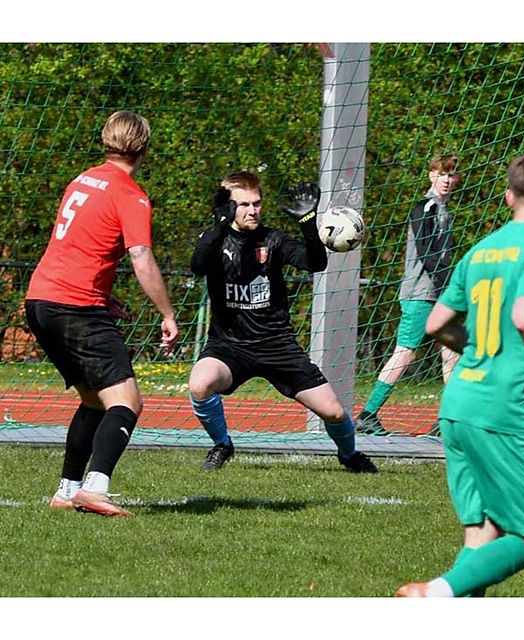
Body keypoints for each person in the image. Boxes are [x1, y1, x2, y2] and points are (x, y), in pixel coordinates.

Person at [396, 152, 524, 597]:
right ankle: (433, 596)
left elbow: (436, 324)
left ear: (508, 197)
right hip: (501, 407)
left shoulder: (480, 251)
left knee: (483, 535)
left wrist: (479, 346)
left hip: (458, 404)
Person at [25, 110, 179, 517]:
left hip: (40, 301)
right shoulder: (131, 194)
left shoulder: (82, 180)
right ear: (143, 146)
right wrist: (167, 313)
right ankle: (95, 487)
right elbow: (141, 257)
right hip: (74, 305)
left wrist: (100, 292)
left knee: (95, 400)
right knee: (127, 401)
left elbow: (78, 243)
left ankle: (67, 488)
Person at [187, 171, 377, 473]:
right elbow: (198, 266)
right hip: (229, 347)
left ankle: (349, 454)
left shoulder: (273, 239)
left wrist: (308, 224)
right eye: (245, 204)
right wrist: (218, 224)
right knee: (200, 383)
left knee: (335, 413)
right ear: (228, 206)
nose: (253, 210)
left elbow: (314, 262)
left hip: (277, 346)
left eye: (257, 203)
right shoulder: (215, 240)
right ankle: (222, 444)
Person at [355, 154, 461, 435]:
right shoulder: (424, 207)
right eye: (442, 174)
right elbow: (427, 253)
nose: (447, 180)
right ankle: (368, 414)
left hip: (438, 293)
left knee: (451, 353)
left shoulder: (444, 209)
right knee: (405, 353)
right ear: (431, 176)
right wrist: (450, 282)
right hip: (421, 293)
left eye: (451, 175)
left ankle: (446, 421)